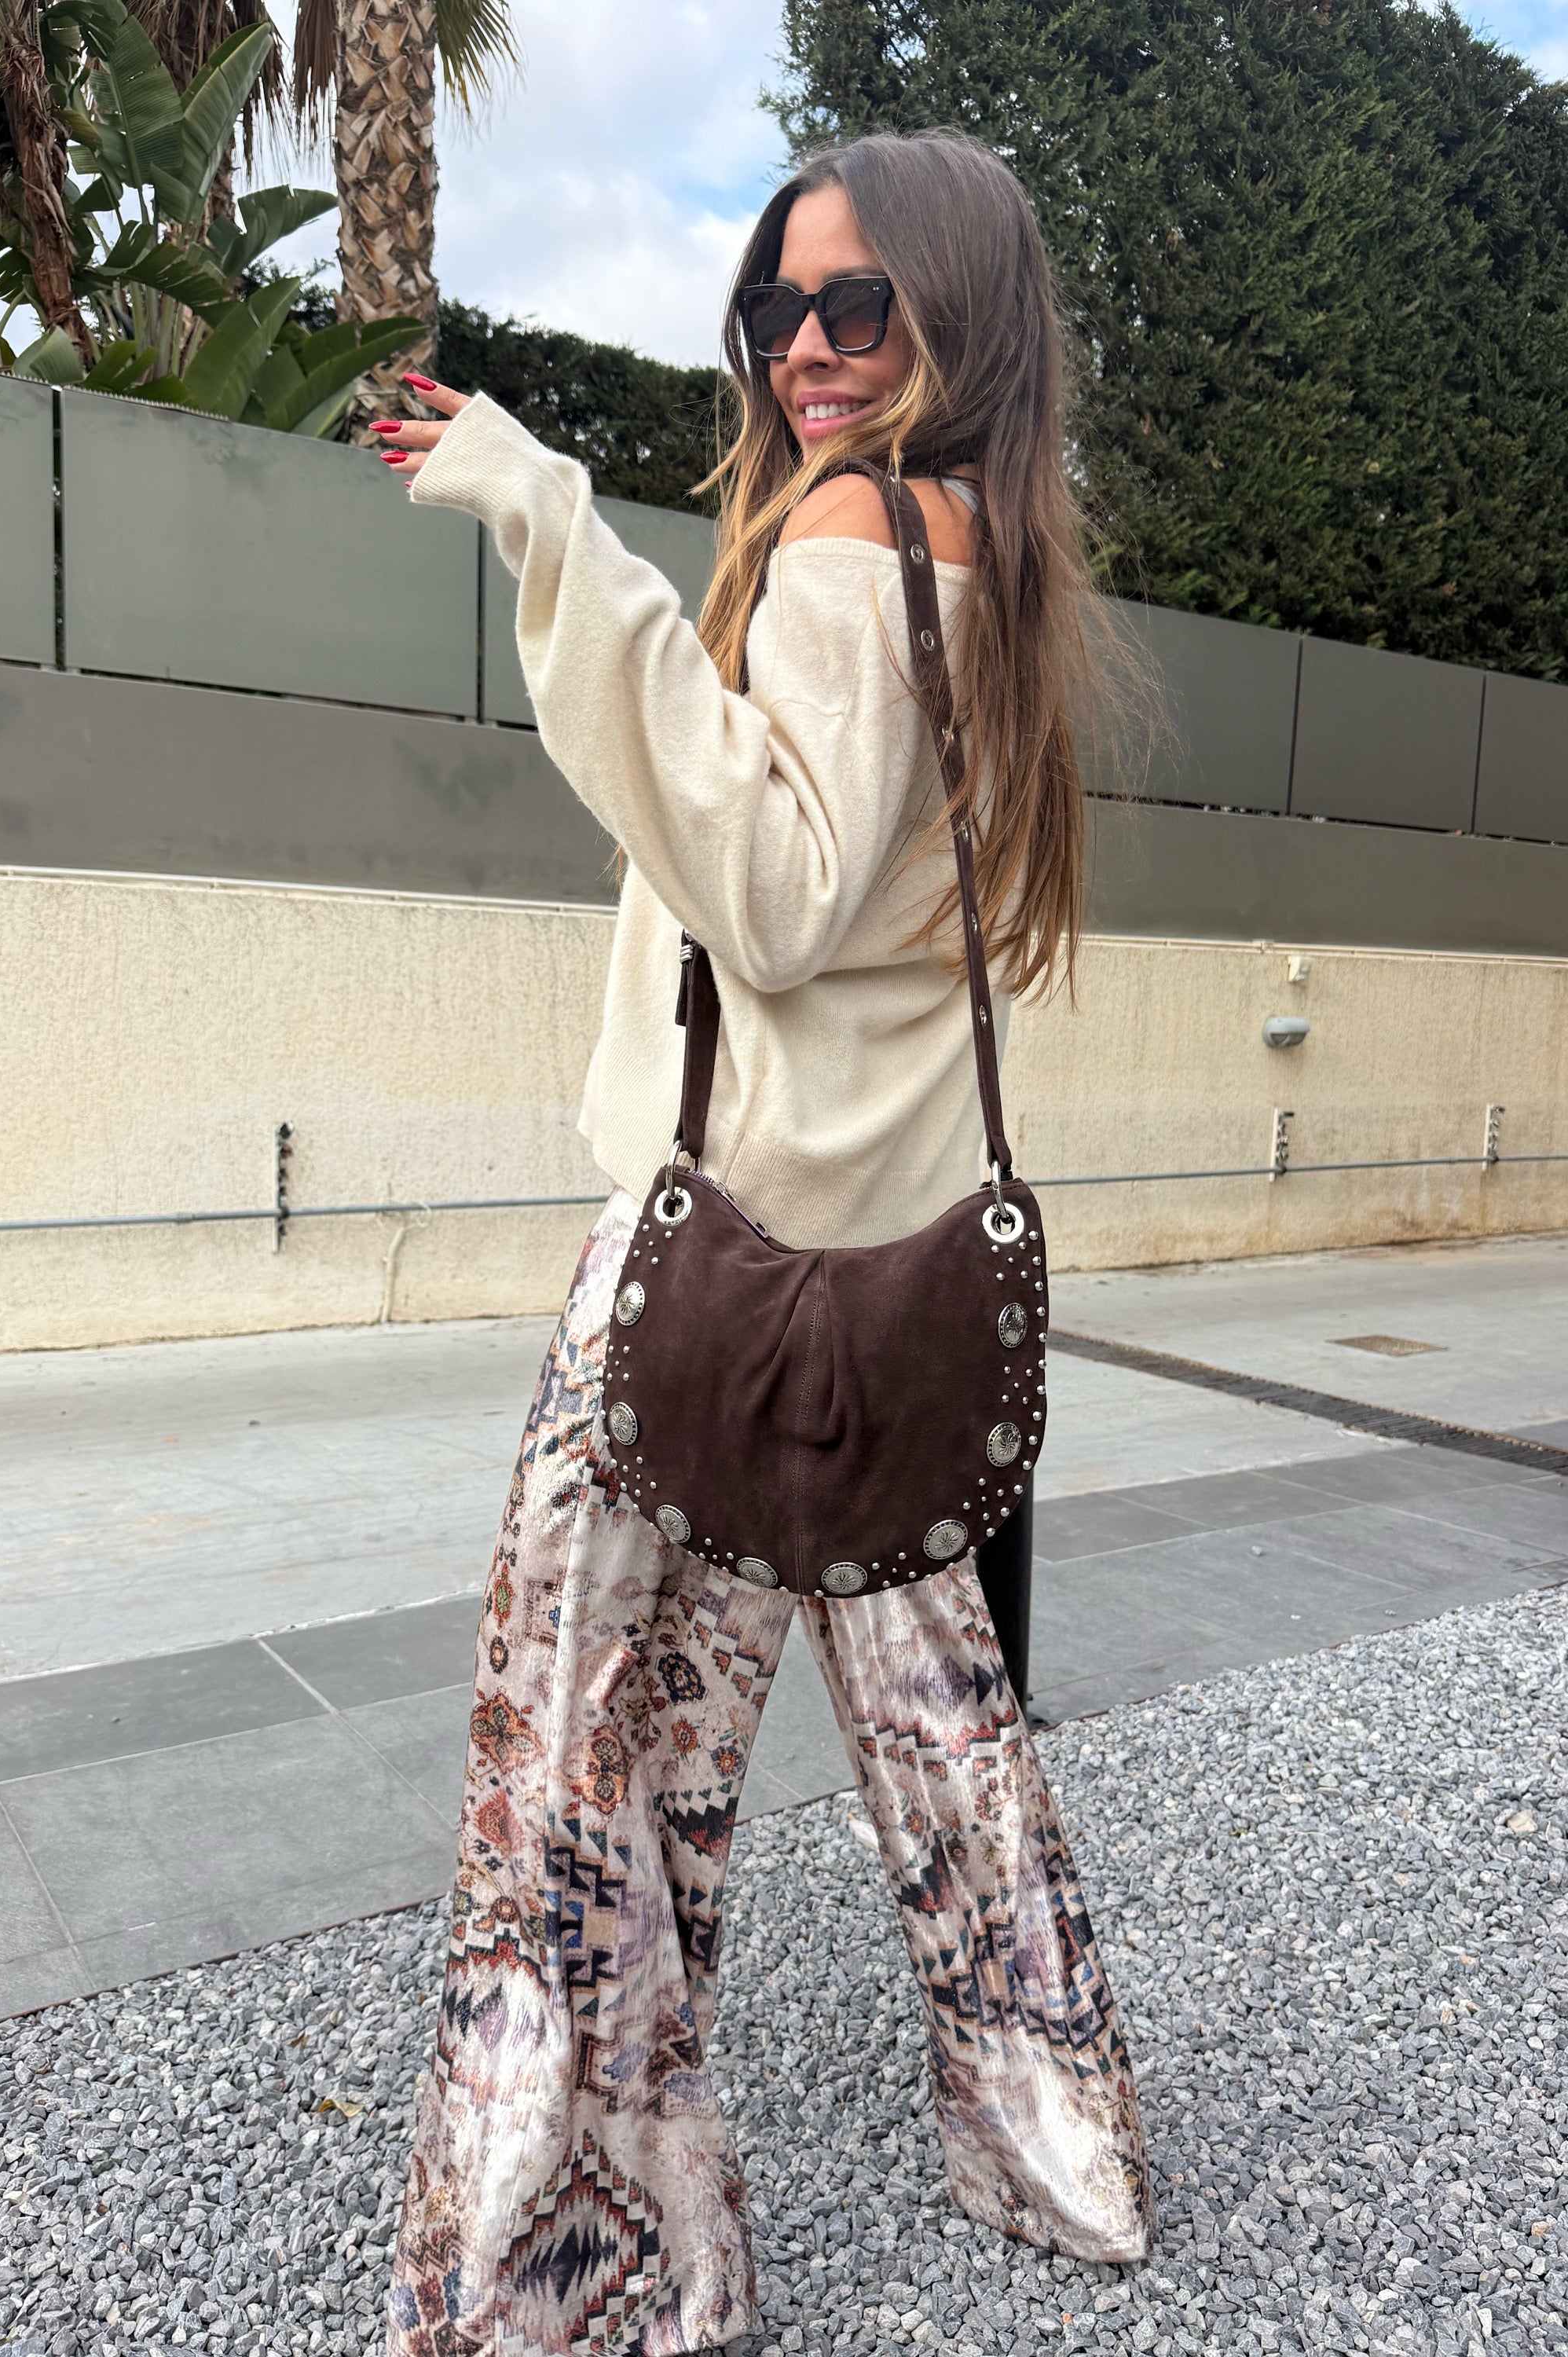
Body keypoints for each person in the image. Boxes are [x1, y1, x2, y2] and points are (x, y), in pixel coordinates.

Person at [372, 129, 1153, 2357]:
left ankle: (585, 2266)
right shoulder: (987, 554)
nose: (807, 348)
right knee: (950, 1752)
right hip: (900, 1262)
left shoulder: (847, 534)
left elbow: (779, 897)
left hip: (718, 1267)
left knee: (580, 1768)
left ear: (955, 315)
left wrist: (551, 523)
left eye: (857, 306)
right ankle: (1057, 2153)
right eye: (776, 308)